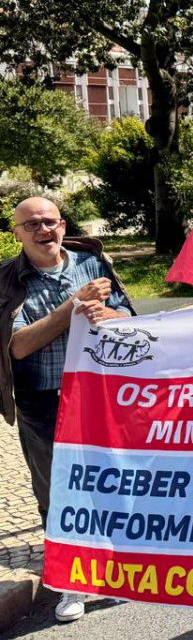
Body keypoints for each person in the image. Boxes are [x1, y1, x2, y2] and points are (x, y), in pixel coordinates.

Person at [1, 197, 133, 622]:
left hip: (100, 394)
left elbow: (129, 319)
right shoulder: (6, 279)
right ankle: (71, 581)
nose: (44, 230)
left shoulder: (93, 264)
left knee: (111, 482)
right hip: (41, 400)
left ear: (62, 225)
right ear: (17, 233)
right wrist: (73, 307)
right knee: (57, 492)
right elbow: (17, 346)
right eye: (32, 224)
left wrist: (107, 314)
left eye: (50, 222)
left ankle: (118, 572)